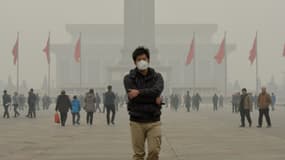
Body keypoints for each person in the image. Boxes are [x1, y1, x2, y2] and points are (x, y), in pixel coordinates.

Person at [124, 47, 164, 160]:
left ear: (149, 60)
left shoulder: (157, 77)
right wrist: (152, 98)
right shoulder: (128, 78)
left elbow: (157, 90)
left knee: (154, 152)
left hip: (154, 121)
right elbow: (134, 99)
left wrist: (139, 92)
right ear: (134, 62)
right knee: (138, 155)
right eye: (139, 59)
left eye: (144, 59)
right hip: (137, 121)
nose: (142, 61)